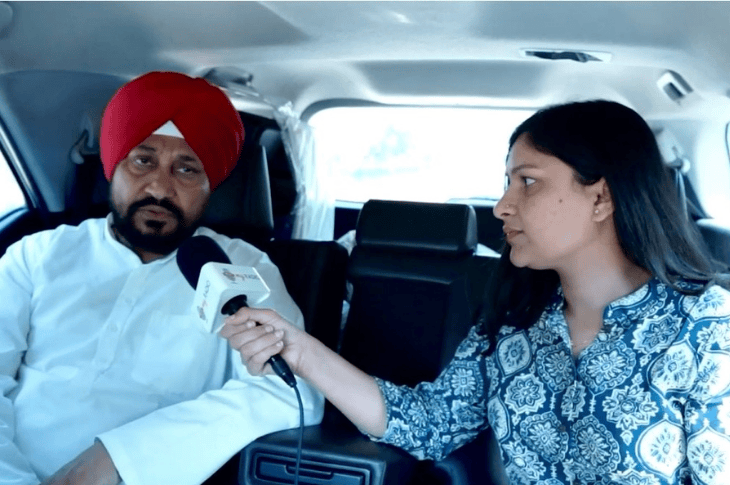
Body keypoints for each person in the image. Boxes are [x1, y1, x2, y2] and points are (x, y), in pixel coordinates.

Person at [222, 100, 730, 484]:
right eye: (507, 183)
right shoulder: (514, 323)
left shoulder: (708, 328)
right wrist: (297, 347)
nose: (502, 206)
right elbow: (426, 424)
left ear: (600, 197)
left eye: (526, 182)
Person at [0, 71, 323, 485]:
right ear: (112, 167)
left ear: (211, 186)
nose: (160, 187)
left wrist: (118, 458)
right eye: (143, 160)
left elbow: (292, 392)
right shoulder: (38, 255)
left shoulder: (245, 267)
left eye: (187, 169)